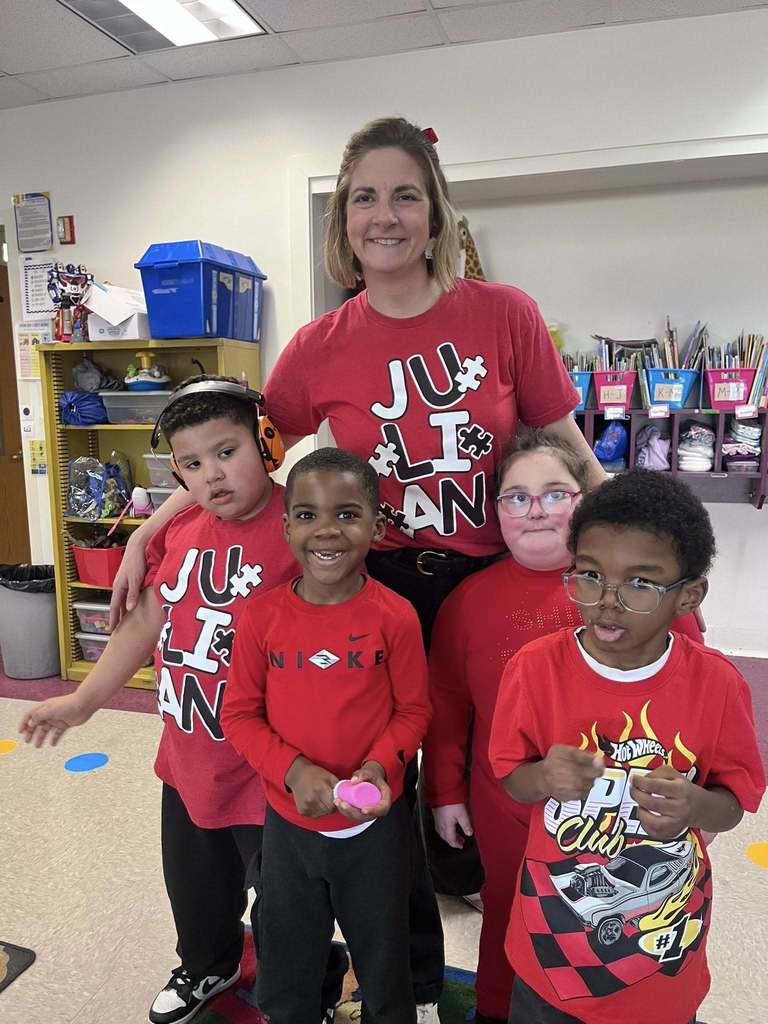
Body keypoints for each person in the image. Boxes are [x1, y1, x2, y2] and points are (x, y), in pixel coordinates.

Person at [108, 116, 604, 1019]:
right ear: (343, 222)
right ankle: (408, 978)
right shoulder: (319, 345)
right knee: (389, 789)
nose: (386, 215)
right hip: (385, 586)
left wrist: (628, 534)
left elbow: (563, 436)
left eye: (405, 195)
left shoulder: (505, 314)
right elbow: (244, 457)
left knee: (503, 774)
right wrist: (157, 525)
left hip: (490, 583)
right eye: (365, 198)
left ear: (436, 212)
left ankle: (529, 962)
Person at [18, 376, 349, 1024]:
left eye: (226, 452)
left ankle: (308, 986)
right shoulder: (181, 531)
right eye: (191, 464)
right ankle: (207, 965)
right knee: (196, 891)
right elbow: (144, 621)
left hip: (271, 767)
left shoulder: (303, 528)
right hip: (190, 754)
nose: (211, 475)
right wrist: (83, 702)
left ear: (267, 443)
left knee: (288, 904)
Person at [421, 433, 705, 1024]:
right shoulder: (467, 602)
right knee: (509, 909)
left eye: (555, 494)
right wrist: (445, 792)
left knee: (617, 919)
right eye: (516, 497)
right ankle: (496, 1010)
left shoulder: (647, 598)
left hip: (622, 816)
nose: (535, 511)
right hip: (507, 805)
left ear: (584, 503)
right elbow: (447, 707)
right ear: (496, 509)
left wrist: (698, 801)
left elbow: (697, 700)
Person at [488, 469, 765, 1024]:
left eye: (640, 582)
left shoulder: (717, 685)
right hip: (550, 944)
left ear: (689, 594)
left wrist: (694, 806)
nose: (607, 601)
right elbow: (512, 779)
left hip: (662, 953)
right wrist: (542, 777)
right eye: (590, 575)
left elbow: (733, 806)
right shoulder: (533, 669)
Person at [220, 447, 432, 1024]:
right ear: (286, 526)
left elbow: (414, 711)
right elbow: (239, 715)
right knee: (287, 966)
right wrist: (292, 771)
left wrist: (379, 767)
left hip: (375, 835)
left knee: (384, 966)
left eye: (347, 514)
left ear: (377, 527)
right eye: (307, 515)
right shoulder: (261, 617)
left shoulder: (395, 616)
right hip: (289, 833)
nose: (327, 530)